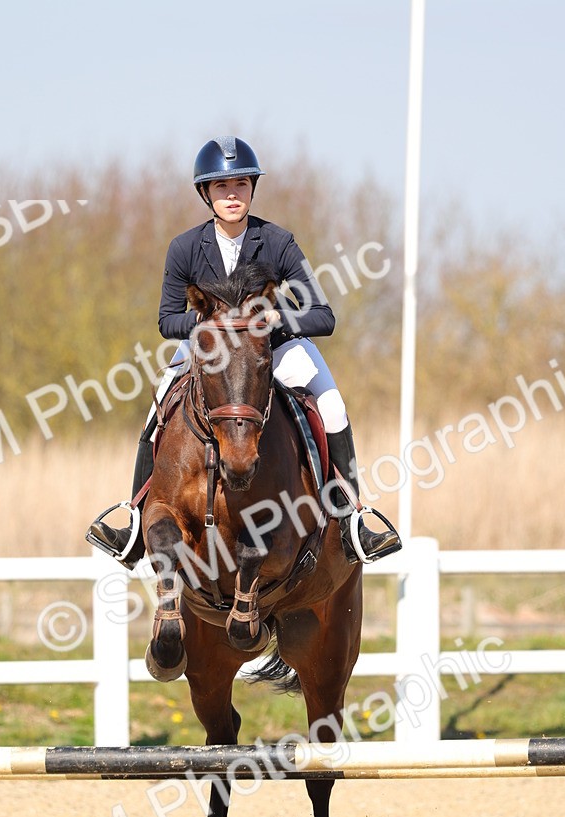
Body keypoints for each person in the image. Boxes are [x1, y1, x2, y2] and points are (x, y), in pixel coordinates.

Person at [86, 135, 401, 568]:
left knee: (331, 406)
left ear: (252, 189)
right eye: (221, 187)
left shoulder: (277, 241)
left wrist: (275, 322)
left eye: (240, 186)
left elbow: (323, 316)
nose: (232, 195)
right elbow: (166, 320)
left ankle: (351, 520)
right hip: (208, 352)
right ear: (206, 193)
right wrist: (206, 326)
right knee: (155, 410)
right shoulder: (184, 248)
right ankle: (134, 516)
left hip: (275, 348)